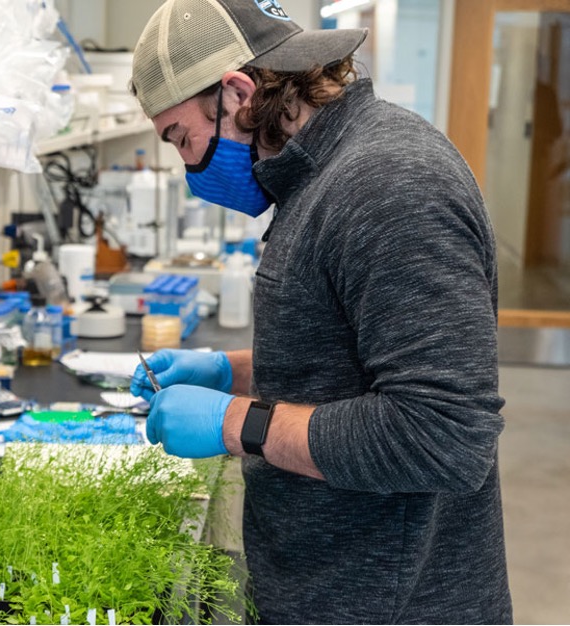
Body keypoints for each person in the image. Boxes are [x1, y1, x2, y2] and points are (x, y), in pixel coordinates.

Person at [128, 0, 512, 623]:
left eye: (182, 138)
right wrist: (231, 371)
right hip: (327, 588)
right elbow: (349, 357)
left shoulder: (389, 183)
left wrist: (238, 423)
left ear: (238, 92)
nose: (187, 167)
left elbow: (443, 435)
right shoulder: (321, 174)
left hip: (391, 603)